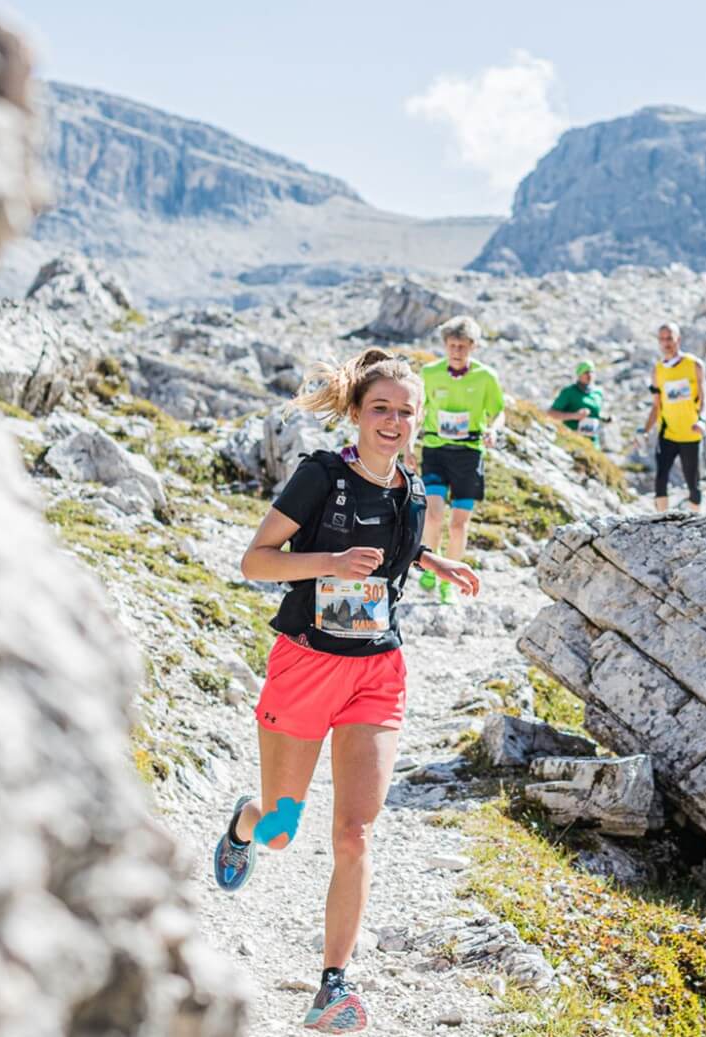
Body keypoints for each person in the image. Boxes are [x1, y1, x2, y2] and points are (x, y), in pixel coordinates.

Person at [213, 348, 479, 1035]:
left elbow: (393, 544)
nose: (393, 421)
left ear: (418, 421)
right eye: (381, 408)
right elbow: (255, 559)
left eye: (405, 411)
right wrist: (327, 562)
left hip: (376, 673)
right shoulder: (320, 475)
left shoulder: (412, 491)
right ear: (358, 413)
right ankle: (247, 819)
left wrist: (432, 557)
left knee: (355, 833)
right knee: (281, 829)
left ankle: (333, 983)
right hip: (305, 665)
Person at [416, 316, 504, 604]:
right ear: (444, 345)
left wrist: (493, 428)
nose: (456, 351)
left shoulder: (485, 376)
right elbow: (416, 409)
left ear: (473, 347)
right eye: (452, 345)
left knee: (457, 524)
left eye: (462, 346)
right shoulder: (429, 373)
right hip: (435, 450)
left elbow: (499, 412)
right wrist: (406, 445)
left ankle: (449, 582)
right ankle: (430, 565)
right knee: (433, 514)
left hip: (469, 453)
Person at [641, 322, 706, 512]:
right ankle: (661, 522)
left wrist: (701, 420)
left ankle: (696, 523)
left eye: (669, 338)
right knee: (660, 480)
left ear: (678, 339)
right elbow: (656, 406)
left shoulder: (694, 365)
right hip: (667, 434)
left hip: (691, 434)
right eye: (662, 339)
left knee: (693, 485)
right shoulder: (657, 371)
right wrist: (644, 430)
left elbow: (705, 398)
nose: (666, 343)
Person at [546, 359, 606, 447]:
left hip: (593, 443)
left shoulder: (598, 393)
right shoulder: (569, 392)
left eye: (592, 372)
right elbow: (551, 413)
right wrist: (575, 415)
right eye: (586, 372)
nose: (589, 375)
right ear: (579, 374)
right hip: (571, 439)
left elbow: (595, 413)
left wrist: (604, 417)